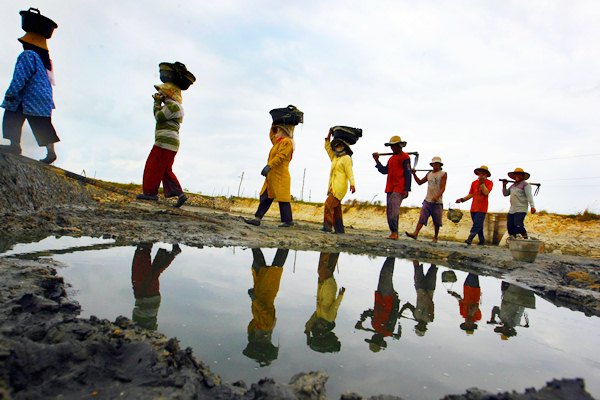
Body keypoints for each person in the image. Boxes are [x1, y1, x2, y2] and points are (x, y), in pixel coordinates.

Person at [0, 11, 60, 164]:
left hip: (28, 96)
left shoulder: (28, 55)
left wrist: (10, 94)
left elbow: (20, 77)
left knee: (12, 114)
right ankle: (50, 152)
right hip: (44, 98)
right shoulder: (44, 62)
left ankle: (14, 145)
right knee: (42, 124)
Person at [137, 82, 188, 208]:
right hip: (169, 142)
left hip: (165, 142)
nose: (159, 95)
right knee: (164, 170)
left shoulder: (173, 106)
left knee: (152, 165)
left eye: (162, 93)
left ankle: (150, 193)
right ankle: (179, 193)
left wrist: (156, 103)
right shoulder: (173, 106)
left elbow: (159, 117)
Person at [243, 248, 288, 366]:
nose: (255, 338)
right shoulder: (267, 326)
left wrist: (251, 335)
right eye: (258, 340)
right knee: (276, 268)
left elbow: (251, 326)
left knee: (260, 264)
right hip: (267, 291)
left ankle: (256, 245)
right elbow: (263, 310)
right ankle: (285, 245)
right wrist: (254, 299)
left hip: (259, 289)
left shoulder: (256, 326)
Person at [245, 123, 296, 227]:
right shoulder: (278, 143)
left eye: (278, 130)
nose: (276, 132)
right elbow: (271, 136)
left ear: (283, 131)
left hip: (281, 175)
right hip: (272, 175)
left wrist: (269, 165)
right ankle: (257, 218)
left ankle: (288, 221)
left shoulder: (287, 142)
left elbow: (280, 156)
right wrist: (273, 124)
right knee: (265, 196)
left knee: (283, 199)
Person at [355, 257, 402, 352]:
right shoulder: (388, 330)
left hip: (380, 296)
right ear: (379, 340)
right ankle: (392, 255)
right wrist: (396, 300)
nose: (372, 337)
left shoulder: (375, 326)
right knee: (386, 275)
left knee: (384, 275)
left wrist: (362, 319)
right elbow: (394, 314)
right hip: (387, 298)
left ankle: (391, 256)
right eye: (373, 339)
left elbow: (372, 313)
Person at [131, 242, 180, 330]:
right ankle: (144, 246)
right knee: (142, 270)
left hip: (150, 302)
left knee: (152, 273)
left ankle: (170, 254)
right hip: (145, 299)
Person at [304, 252, 345, 353]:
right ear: (325, 327)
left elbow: (308, 324)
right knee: (322, 268)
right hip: (329, 288)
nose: (318, 325)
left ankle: (334, 250)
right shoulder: (329, 318)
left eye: (317, 326)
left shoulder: (318, 315)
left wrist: (308, 335)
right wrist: (341, 295)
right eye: (320, 327)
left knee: (329, 268)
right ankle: (327, 249)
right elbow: (335, 306)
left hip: (323, 286)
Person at [373, 136, 412, 240]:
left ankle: (394, 233)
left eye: (394, 146)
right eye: (391, 146)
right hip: (390, 187)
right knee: (389, 211)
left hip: (399, 187)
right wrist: (377, 161)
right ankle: (394, 233)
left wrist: (407, 189)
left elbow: (408, 173)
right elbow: (384, 171)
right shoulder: (391, 159)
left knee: (394, 210)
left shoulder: (405, 157)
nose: (392, 148)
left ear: (399, 146)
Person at [405, 156, 447, 243]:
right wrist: (414, 174)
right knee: (422, 216)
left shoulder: (443, 174)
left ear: (440, 165)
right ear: (432, 165)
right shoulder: (429, 174)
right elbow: (420, 182)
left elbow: (443, 188)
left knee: (437, 221)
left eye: (437, 164)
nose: (435, 165)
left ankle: (435, 237)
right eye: (434, 164)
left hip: (437, 202)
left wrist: (437, 196)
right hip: (428, 200)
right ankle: (415, 233)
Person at [321, 129, 356, 233]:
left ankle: (327, 226)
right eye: (336, 145)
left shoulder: (346, 158)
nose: (337, 147)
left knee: (328, 204)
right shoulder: (335, 158)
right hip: (332, 186)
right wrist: (328, 135)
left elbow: (350, 172)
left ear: (344, 146)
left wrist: (352, 184)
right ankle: (339, 229)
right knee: (336, 208)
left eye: (339, 145)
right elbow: (327, 148)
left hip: (340, 187)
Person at [456, 165, 493, 245]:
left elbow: (486, 192)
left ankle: (470, 238)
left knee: (477, 225)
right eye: (480, 173)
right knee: (478, 225)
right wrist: (462, 199)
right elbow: (471, 194)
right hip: (473, 207)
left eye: (483, 174)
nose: (481, 175)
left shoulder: (489, 183)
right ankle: (482, 240)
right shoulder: (474, 183)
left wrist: (482, 183)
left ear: (486, 174)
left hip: (482, 208)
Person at [400, 260, 438, 336]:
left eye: (419, 327)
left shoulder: (416, 316)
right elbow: (431, 304)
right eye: (421, 327)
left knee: (417, 269)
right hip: (429, 290)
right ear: (424, 328)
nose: (420, 326)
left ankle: (415, 256)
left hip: (419, 289)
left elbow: (407, 305)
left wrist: (400, 312)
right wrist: (426, 294)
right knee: (433, 268)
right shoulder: (430, 319)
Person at [502, 168, 537, 239]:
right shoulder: (513, 186)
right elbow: (505, 194)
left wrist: (532, 206)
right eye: (515, 175)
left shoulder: (526, 185)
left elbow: (529, 196)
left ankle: (525, 238)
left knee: (518, 225)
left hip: (521, 209)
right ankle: (513, 241)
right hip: (512, 209)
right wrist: (504, 185)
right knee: (510, 227)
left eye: (519, 174)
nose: (517, 176)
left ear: (522, 176)